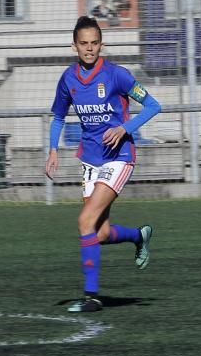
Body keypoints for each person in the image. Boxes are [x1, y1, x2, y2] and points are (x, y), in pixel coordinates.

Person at [45, 15, 162, 313]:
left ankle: (91, 297)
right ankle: (139, 236)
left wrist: (125, 128)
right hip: (90, 158)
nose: (89, 49)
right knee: (99, 233)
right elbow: (58, 116)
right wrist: (52, 150)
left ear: (101, 44)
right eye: (84, 44)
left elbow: (153, 105)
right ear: (74, 46)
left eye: (94, 43)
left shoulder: (117, 75)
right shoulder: (68, 79)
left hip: (120, 156)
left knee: (84, 222)